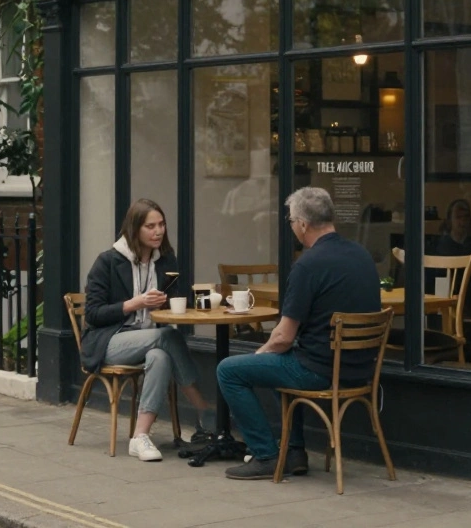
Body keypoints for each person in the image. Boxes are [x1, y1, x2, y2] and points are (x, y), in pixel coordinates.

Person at [216, 187, 381, 480]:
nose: (292, 227)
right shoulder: (362, 255)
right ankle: (294, 452)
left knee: (230, 371)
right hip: (361, 370)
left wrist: (259, 355)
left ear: (303, 224)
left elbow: (282, 338)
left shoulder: (307, 265)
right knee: (287, 362)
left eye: (292, 221)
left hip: (320, 371)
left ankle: (265, 455)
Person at [81, 198, 215, 461]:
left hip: (151, 342)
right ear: (135, 229)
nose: (158, 231)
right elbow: (93, 315)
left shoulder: (166, 260)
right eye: (150, 226)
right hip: (110, 342)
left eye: (162, 224)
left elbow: (176, 299)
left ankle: (140, 436)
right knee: (167, 337)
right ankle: (204, 410)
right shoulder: (107, 262)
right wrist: (136, 303)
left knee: (161, 355)